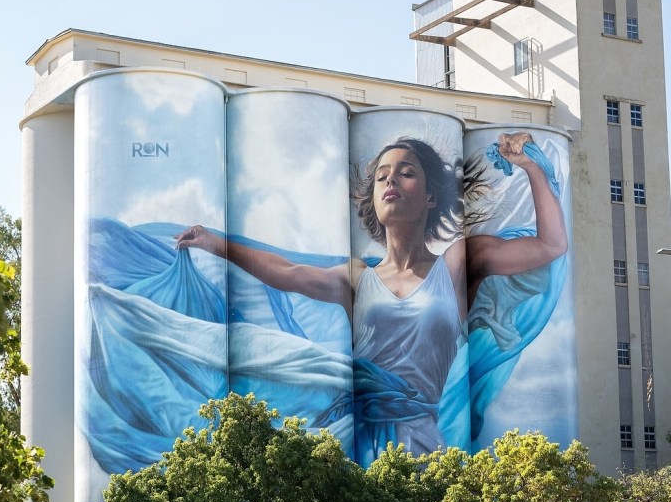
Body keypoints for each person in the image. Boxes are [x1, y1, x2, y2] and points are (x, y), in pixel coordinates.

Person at [175, 131, 567, 463]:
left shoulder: (456, 265)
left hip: (420, 443)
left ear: (431, 197)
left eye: (406, 173)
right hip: (356, 443)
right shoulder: (357, 278)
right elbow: (287, 272)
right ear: (374, 199)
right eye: (382, 177)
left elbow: (551, 245)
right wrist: (215, 243)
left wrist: (531, 166)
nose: (391, 180)